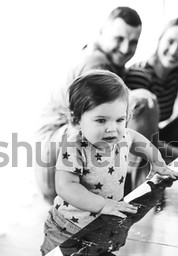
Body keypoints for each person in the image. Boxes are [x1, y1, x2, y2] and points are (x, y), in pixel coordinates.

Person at [40, 70, 178, 256]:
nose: (112, 129)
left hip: (101, 225)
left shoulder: (121, 137)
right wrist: (102, 204)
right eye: (101, 120)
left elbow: (138, 140)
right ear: (76, 120)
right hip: (67, 230)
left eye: (120, 120)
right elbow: (66, 186)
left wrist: (157, 162)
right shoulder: (74, 146)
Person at [35, 7, 156, 204]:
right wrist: (134, 96)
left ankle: (137, 182)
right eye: (119, 39)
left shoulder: (105, 60)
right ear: (102, 32)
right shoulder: (96, 63)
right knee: (139, 104)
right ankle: (138, 191)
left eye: (133, 42)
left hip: (61, 144)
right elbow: (100, 108)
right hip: (54, 152)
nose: (126, 48)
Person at [125, 17, 178, 163]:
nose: (174, 51)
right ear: (160, 40)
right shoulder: (140, 74)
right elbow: (138, 138)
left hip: (157, 138)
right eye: (170, 41)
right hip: (134, 147)